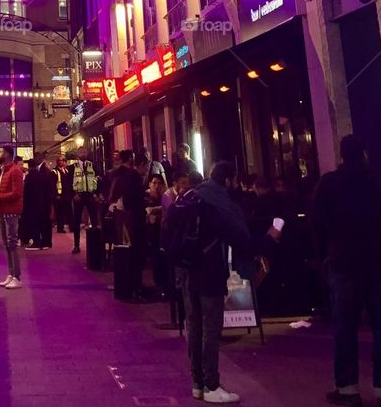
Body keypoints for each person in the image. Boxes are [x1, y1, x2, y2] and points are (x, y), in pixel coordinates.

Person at [164, 159, 278, 404]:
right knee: (210, 329)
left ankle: (197, 383)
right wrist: (271, 237)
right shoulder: (219, 205)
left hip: (186, 272)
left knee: (193, 327)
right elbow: (243, 242)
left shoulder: (192, 195)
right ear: (228, 180)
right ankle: (211, 384)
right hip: (209, 274)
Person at [312, 135, 381, 407]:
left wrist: (324, 257)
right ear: (364, 153)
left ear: (342, 154)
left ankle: (348, 387)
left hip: (344, 262)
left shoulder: (329, 184)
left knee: (345, 327)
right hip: (380, 263)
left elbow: (317, 223)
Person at [109, 150, 148, 298]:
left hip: (126, 217)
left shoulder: (125, 175)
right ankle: (136, 286)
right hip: (135, 219)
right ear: (141, 164)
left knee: (133, 254)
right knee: (137, 254)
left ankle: (134, 285)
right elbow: (133, 198)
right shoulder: (134, 177)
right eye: (146, 166)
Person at [0, 146, 24, 289]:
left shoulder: (15, 170)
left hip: (11, 210)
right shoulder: (4, 170)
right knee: (7, 244)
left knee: (12, 243)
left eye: (2, 152)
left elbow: (16, 193)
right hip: (3, 209)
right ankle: (11, 274)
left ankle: (17, 276)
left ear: (8, 154)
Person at [69, 149, 100, 254]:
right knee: (76, 221)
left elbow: (98, 179)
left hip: (90, 196)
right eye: (81, 152)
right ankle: (76, 245)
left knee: (94, 220)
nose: (83, 154)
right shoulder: (72, 167)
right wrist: (73, 195)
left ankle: (96, 244)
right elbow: (68, 182)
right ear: (78, 154)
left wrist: (97, 193)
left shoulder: (92, 165)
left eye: (84, 152)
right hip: (79, 196)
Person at [54, 156, 73, 232]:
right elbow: (53, 185)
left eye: (63, 160)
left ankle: (72, 227)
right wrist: (56, 195)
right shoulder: (54, 171)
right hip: (60, 196)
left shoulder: (66, 171)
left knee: (70, 212)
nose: (62, 162)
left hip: (67, 195)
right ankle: (60, 228)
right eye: (60, 160)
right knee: (60, 213)